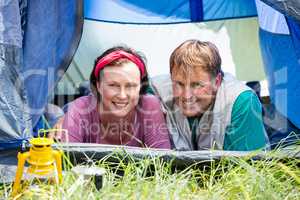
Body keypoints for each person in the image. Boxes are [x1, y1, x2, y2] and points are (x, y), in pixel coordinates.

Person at [151, 39, 269, 151]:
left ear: (216, 81)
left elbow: (249, 166)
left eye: (197, 85)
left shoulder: (240, 101)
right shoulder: (156, 89)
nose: (186, 96)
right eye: (179, 84)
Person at [58, 46, 171, 149]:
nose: (122, 95)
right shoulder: (79, 108)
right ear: (98, 85)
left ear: (140, 86)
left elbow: (162, 161)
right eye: (113, 85)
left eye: (130, 86)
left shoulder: (149, 105)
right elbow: (65, 160)